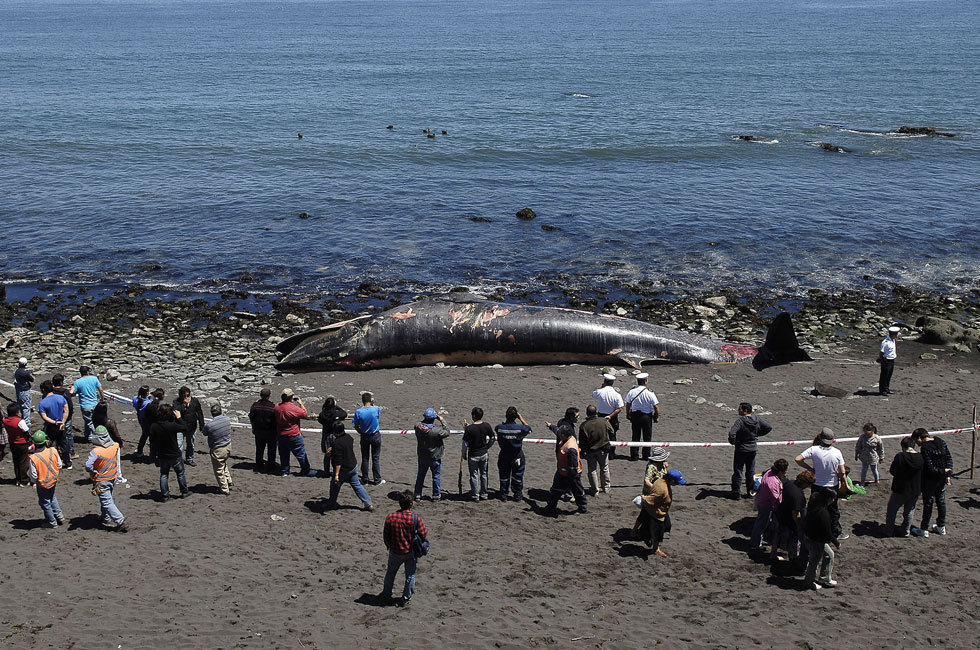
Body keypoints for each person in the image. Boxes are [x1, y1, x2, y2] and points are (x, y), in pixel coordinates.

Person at [795, 428, 847, 542]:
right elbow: (842, 472)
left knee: (814, 508)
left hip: (817, 484)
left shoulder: (813, 449)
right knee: (833, 510)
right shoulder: (837, 452)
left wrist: (809, 468)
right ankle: (836, 532)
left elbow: (798, 459)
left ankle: (812, 529)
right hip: (831, 484)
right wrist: (844, 483)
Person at [381, 491, 428, 607]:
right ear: (411, 504)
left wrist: (389, 546)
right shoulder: (415, 518)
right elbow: (423, 533)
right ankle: (406, 598)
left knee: (390, 573)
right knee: (410, 575)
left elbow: (386, 535)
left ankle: (386, 595)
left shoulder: (391, 517)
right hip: (410, 552)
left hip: (395, 551)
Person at [84, 425, 127, 531]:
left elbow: (87, 465)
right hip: (112, 477)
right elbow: (116, 443)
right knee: (108, 498)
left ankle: (120, 520)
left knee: (106, 501)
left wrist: (92, 471)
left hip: (101, 480)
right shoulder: (115, 446)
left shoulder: (96, 451)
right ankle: (105, 517)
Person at [635, 469, 686, 558]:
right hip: (657, 513)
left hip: (659, 510)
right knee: (658, 533)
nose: (678, 484)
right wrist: (644, 498)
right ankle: (655, 549)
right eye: (677, 482)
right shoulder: (662, 490)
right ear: (672, 481)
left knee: (667, 526)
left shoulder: (660, 480)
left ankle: (640, 534)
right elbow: (649, 500)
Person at [913, 427, 953, 536]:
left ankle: (924, 529)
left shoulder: (925, 448)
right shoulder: (940, 441)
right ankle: (941, 526)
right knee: (941, 501)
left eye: (917, 441)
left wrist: (941, 471)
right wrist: (947, 473)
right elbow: (949, 459)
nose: (917, 444)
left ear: (920, 438)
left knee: (928, 503)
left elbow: (929, 467)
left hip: (930, 480)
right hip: (942, 478)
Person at [728, 402, 772, 499]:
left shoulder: (740, 421)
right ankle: (750, 492)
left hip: (741, 449)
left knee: (738, 471)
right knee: (750, 471)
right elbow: (768, 427)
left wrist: (733, 442)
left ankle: (736, 493)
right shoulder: (757, 419)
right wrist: (756, 434)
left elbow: (732, 433)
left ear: (745, 411)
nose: (738, 410)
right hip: (752, 448)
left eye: (740, 409)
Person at [328, 421, 373, 511]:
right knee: (357, 485)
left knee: (334, 486)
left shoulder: (337, 443)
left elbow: (338, 461)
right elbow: (344, 448)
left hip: (343, 469)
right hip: (353, 465)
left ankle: (332, 503)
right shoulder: (348, 437)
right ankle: (368, 503)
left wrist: (336, 475)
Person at [544, 420, 588, 515]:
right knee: (555, 491)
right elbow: (557, 430)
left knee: (578, 492)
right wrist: (551, 426)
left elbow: (573, 465)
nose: (558, 435)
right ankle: (550, 507)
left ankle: (582, 508)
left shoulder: (571, 448)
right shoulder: (568, 438)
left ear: (564, 435)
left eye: (560, 434)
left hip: (570, 474)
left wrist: (570, 478)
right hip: (562, 471)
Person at [772, 470, 814, 564]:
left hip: (780, 512)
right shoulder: (798, 495)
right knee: (793, 540)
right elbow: (795, 513)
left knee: (777, 535)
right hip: (788, 520)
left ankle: (773, 554)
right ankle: (793, 558)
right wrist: (798, 525)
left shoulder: (789, 482)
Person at [884, 436, 924, 537]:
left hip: (900, 488)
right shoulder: (920, 458)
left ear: (903, 446)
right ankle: (906, 531)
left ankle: (889, 530)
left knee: (892, 509)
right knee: (909, 511)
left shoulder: (900, 456)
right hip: (915, 489)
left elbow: (893, 471)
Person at [150, 403, 189, 500]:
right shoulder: (172, 425)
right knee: (180, 473)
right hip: (174, 454)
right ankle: (184, 492)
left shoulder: (154, 426)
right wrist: (179, 418)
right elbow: (185, 427)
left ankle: (165, 495)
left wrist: (153, 456)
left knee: (164, 475)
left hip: (162, 454)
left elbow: (152, 443)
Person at [803, 488, 839, 590]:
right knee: (814, 562)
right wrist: (836, 542)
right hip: (816, 540)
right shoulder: (822, 513)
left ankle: (825, 577)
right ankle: (808, 583)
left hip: (811, 537)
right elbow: (827, 531)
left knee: (829, 555)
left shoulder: (815, 506)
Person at [28, 431, 65, 528]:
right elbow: (59, 465)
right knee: (52, 497)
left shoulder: (34, 458)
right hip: (53, 480)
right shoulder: (53, 450)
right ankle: (59, 516)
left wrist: (34, 482)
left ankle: (52, 522)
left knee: (45, 503)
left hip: (43, 484)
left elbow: (33, 475)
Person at [750, 458, 788, 550]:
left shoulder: (769, 472)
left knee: (762, 523)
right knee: (761, 525)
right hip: (766, 505)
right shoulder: (773, 483)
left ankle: (757, 542)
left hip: (762, 501)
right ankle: (755, 545)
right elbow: (777, 500)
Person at [275, 388, 314, 477]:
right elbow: (304, 414)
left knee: (284, 454)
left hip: (281, 434)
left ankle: (285, 471)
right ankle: (305, 470)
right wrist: (300, 404)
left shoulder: (277, 406)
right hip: (293, 434)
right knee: (300, 454)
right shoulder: (293, 408)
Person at [414, 408, 451, 501]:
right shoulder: (436, 431)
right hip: (434, 457)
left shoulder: (417, 427)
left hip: (422, 456)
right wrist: (442, 420)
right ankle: (436, 496)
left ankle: (417, 494)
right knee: (436, 477)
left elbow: (420, 424)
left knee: (420, 476)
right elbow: (447, 432)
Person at [495, 407, 531, 501]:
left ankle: (503, 495)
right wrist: (521, 418)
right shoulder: (520, 429)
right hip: (516, 455)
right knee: (518, 475)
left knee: (504, 476)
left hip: (504, 455)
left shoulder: (500, 428)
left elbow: (497, 429)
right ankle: (517, 495)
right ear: (516, 417)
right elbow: (528, 429)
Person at [624, 372, 660, 461]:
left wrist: (627, 413)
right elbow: (655, 406)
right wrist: (657, 416)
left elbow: (628, 404)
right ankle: (646, 455)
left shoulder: (632, 391)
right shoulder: (649, 393)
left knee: (635, 435)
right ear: (646, 382)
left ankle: (634, 455)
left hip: (635, 415)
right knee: (647, 436)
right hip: (646, 416)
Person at [578, 405, 614, 495]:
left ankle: (595, 490)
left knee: (592, 470)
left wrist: (582, 452)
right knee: (604, 467)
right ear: (596, 413)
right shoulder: (604, 422)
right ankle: (606, 487)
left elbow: (582, 441)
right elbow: (612, 431)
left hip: (591, 451)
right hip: (603, 449)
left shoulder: (584, 426)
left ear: (587, 413)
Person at [462, 407, 494, 501]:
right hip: (484, 454)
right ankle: (484, 494)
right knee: (484, 474)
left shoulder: (469, 429)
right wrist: (487, 446)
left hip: (473, 455)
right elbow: (492, 438)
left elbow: (464, 443)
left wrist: (464, 454)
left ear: (474, 416)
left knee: (474, 475)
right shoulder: (486, 426)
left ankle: (475, 495)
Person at [352, 391, 384, 485]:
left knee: (365, 458)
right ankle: (377, 479)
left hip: (365, 436)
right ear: (370, 400)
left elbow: (356, 425)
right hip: (375, 435)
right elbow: (377, 416)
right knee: (376, 458)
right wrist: (373, 404)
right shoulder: (375, 409)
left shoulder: (359, 412)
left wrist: (361, 432)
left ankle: (365, 479)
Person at [38, 380, 70, 469]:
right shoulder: (61, 398)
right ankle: (67, 462)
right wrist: (63, 421)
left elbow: (44, 417)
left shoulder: (43, 403)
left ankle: (54, 461)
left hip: (51, 426)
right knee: (63, 443)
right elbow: (66, 410)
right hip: (61, 424)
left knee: (50, 445)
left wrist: (55, 422)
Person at [92, 401, 126, 483]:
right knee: (116, 461)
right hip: (111, 443)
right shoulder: (110, 422)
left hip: (100, 441)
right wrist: (120, 443)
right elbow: (116, 434)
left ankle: (103, 474)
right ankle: (118, 477)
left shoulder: (94, 419)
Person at [202, 403, 233, 495]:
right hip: (227, 446)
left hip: (218, 448)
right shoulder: (227, 419)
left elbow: (204, 433)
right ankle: (229, 480)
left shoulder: (210, 425)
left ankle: (224, 489)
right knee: (224, 463)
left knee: (218, 470)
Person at [70, 365, 104, 443]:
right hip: (95, 404)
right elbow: (101, 390)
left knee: (89, 422)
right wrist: (102, 400)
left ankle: (94, 436)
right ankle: (89, 435)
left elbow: (73, 393)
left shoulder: (77, 382)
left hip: (85, 405)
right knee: (93, 421)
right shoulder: (94, 379)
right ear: (88, 371)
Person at [593, 373, 624, 457]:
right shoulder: (617, 394)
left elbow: (594, 394)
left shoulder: (600, 391)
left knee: (600, 434)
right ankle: (611, 454)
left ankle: (601, 451)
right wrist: (610, 415)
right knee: (612, 435)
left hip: (601, 415)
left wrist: (601, 387)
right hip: (612, 416)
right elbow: (620, 408)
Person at [248, 388, 278, 473]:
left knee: (259, 449)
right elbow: (276, 419)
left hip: (259, 431)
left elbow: (251, 418)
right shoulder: (273, 407)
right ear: (269, 396)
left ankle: (259, 465)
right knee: (271, 449)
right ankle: (271, 465)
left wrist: (253, 427)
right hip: (271, 431)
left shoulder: (255, 405)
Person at [173, 386, 205, 466]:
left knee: (190, 444)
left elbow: (199, 413)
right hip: (180, 427)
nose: (186, 397)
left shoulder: (195, 401)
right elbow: (177, 412)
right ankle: (178, 461)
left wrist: (202, 424)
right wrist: (185, 405)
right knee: (179, 445)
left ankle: (190, 458)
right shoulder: (176, 402)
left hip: (192, 427)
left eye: (187, 395)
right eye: (184, 395)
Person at [3, 402, 33, 486]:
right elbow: (27, 432)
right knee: (23, 461)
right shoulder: (20, 421)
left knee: (16, 462)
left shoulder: (5, 421)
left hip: (12, 443)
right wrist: (30, 441)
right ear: (17, 412)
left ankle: (18, 479)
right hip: (22, 443)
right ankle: (24, 480)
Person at [317, 396, 347, 477]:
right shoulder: (335, 413)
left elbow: (319, 420)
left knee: (327, 455)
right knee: (336, 454)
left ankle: (326, 471)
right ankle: (336, 471)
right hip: (334, 435)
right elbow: (344, 414)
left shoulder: (322, 414)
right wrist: (337, 407)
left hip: (326, 435)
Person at [51, 374, 76, 459]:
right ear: (62, 382)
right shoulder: (65, 392)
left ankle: (55, 452)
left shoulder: (51, 391)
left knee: (53, 435)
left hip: (54, 417)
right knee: (68, 435)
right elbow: (69, 404)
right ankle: (71, 452)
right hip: (66, 416)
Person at [876, 325, 900, 395]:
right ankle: (882, 390)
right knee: (884, 375)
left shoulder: (892, 340)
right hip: (886, 360)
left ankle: (887, 388)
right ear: (894, 334)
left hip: (891, 360)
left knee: (889, 375)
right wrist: (880, 359)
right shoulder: (885, 342)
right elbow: (881, 352)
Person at [132, 385, 153, 458]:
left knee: (144, 434)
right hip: (147, 420)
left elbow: (136, 400)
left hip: (140, 418)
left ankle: (140, 451)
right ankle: (151, 453)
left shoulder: (135, 399)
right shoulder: (148, 403)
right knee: (149, 436)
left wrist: (148, 397)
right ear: (147, 393)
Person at [13, 357, 34, 425]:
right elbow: (32, 379)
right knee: (26, 407)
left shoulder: (17, 372)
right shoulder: (25, 373)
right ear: (25, 364)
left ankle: (23, 419)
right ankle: (26, 422)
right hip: (25, 391)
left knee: (21, 405)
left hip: (19, 390)